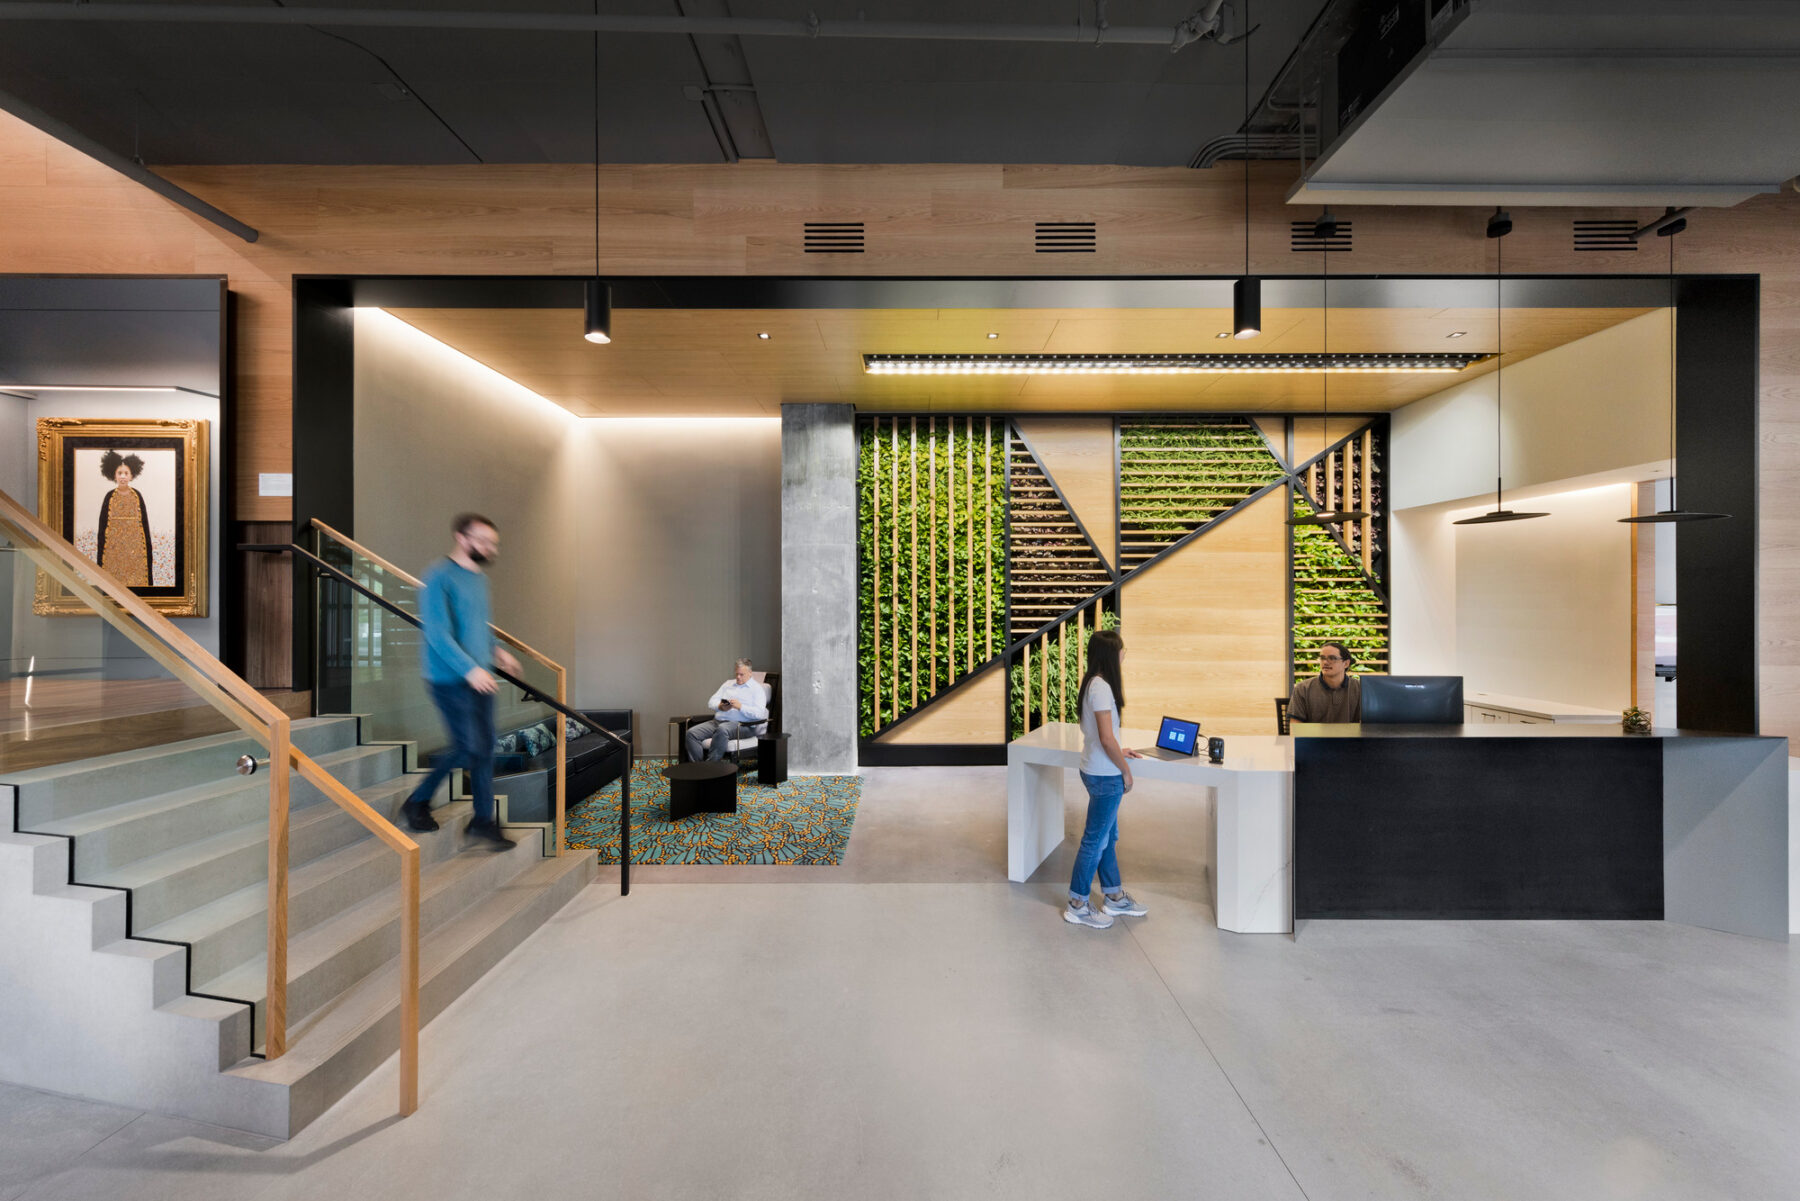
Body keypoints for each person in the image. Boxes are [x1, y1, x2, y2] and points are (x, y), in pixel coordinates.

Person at [399, 513, 522, 848]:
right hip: (448, 680)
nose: (489, 547)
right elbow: (437, 634)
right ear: (461, 537)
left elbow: (478, 626)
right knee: (468, 746)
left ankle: (483, 821)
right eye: (482, 540)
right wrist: (470, 669)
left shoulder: (479, 579)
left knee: (484, 750)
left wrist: (497, 653)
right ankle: (417, 801)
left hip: (480, 679)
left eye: (493, 542)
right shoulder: (438, 576)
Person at [1065, 629, 1148, 930]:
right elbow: (1104, 736)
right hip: (1105, 775)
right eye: (1123, 650)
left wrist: (1118, 750)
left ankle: (1113, 896)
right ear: (1112, 654)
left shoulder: (1094, 683)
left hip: (1095, 768)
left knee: (1106, 839)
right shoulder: (1101, 688)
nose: (1125, 654)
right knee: (1095, 841)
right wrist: (1124, 768)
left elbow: (1103, 737)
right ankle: (1077, 904)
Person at [685, 658, 770, 763]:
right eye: (736, 673)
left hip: (743, 726)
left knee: (722, 729)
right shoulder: (728, 684)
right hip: (718, 722)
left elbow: (759, 714)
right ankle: (698, 768)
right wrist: (721, 706)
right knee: (691, 733)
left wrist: (740, 707)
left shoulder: (757, 689)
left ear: (750, 673)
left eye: (741, 674)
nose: (738, 677)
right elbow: (711, 702)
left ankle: (711, 767)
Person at [95, 449, 152, 587]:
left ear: (132, 475)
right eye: (119, 473)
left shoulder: (137, 496)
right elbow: (102, 527)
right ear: (113, 475)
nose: (123, 476)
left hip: (135, 549)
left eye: (126, 473)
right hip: (113, 550)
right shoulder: (109, 497)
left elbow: (144, 526)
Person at [1288, 641, 1362, 724]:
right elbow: (1295, 726)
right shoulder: (1303, 688)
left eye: (1332, 658)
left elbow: (1367, 726)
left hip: (1350, 737)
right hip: (1312, 737)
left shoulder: (1360, 689)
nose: (1325, 662)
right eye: (1322, 658)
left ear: (1346, 663)